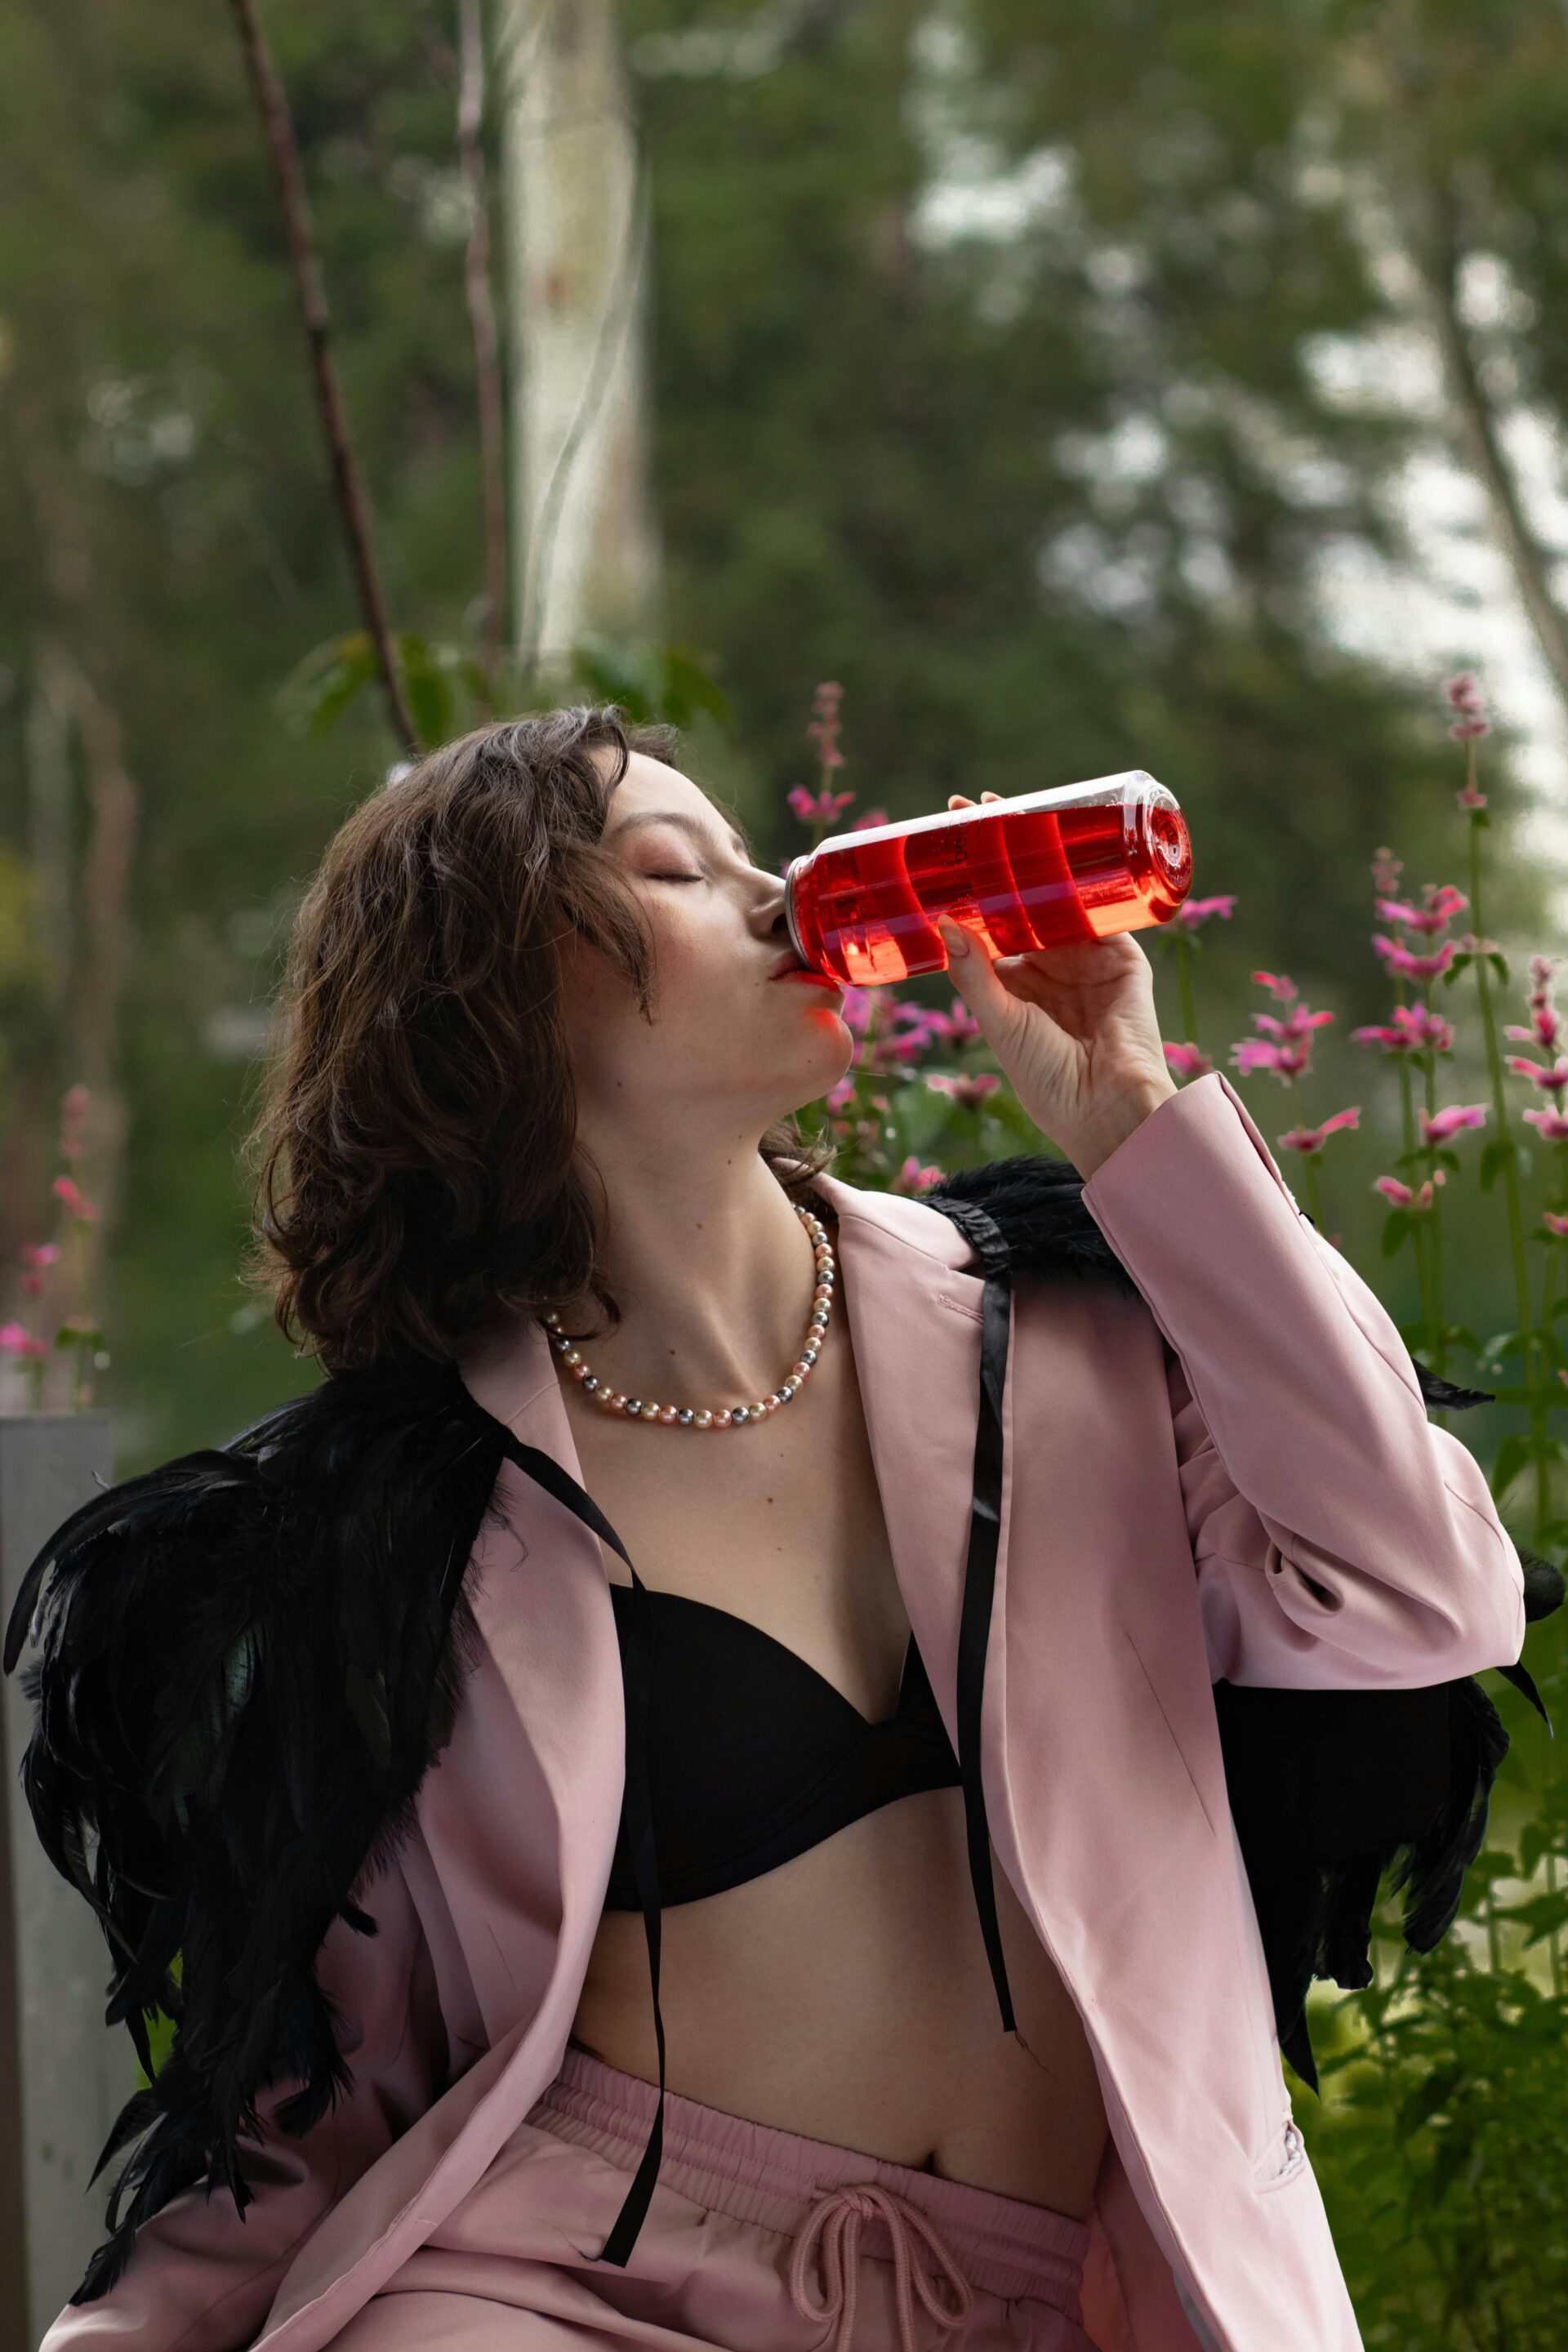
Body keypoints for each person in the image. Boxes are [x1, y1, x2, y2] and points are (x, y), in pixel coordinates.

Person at [12, 706, 1529, 2352]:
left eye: (756, 850)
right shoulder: (398, 1535)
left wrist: (1135, 1128)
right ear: (491, 1010)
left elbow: (1423, 1595)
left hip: (1076, 2293)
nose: (775, 891)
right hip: (573, 2291)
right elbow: (327, 2093)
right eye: (674, 867)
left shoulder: (1066, 1324)